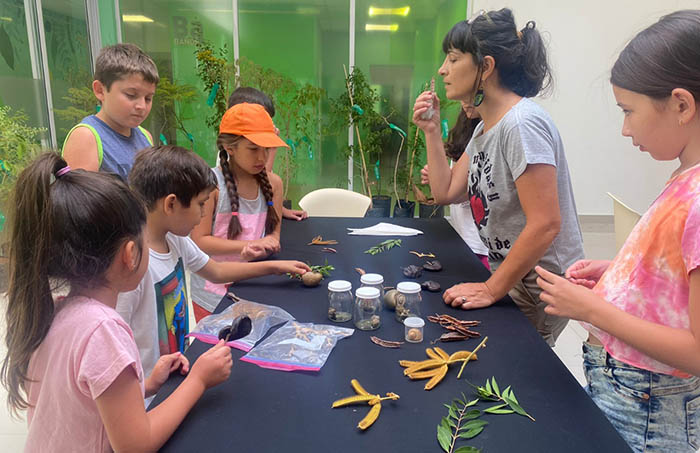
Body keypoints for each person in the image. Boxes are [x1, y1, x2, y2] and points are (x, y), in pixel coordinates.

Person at [535, 10, 700, 452]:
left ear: (682, 105)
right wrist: (622, 275)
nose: (625, 129)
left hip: (649, 410)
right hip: (626, 391)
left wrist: (593, 309)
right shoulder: (684, 177)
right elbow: (678, 275)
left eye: (629, 111)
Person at [0, 153, 232, 452]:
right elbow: (136, 445)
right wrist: (198, 380)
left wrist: (146, 385)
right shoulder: (103, 330)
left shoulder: (54, 309)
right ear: (130, 254)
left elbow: (84, 398)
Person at [412, 8, 584, 346]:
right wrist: (431, 130)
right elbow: (445, 191)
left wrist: (492, 288)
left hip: (537, 283)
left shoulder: (521, 124)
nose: (442, 69)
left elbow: (546, 223)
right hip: (512, 273)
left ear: (486, 67)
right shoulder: (483, 130)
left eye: (453, 59)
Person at [118, 145, 309, 377]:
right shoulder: (131, 269)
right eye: (200, 204)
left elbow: (216, 270)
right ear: (171, 204)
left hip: (175, 370)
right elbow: (116, 344)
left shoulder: (175, 240)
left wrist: (273, 267)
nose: (203, 213)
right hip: (148, 388)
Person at [190, 103, 294, 321]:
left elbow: (274, 233)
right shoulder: (211, 185)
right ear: (230, 148)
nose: (262, 158)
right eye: (253, 149)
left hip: (254, 285)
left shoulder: (274, 184)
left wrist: (268, 243)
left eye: (266, 149)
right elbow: (199, 241)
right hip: (212, 295)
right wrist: (248, 245)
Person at [62, 43, 157, 181]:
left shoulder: (145, 137)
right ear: (100, 90)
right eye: (131, 95)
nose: (141, 106)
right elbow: (78, 194)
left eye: (148, 98)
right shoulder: (86, 138)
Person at [420, 102, 489, 268]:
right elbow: (447, 192)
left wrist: (447, 181)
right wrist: (438, 177)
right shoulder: (476, 132)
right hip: (463, 237)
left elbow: (459, 192)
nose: (464, 101)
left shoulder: (511, 126)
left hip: (483, 247)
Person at [227, 87, 309, 221]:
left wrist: (281, 209)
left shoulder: (250, 148)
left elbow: (265, 188)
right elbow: (262, 179)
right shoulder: (237, 152)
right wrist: (271, 148)